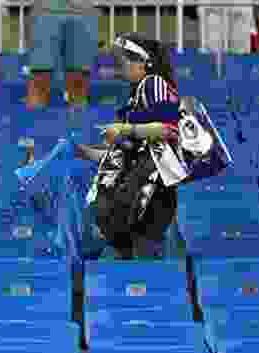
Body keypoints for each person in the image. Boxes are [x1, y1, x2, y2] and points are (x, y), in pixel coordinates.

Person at [79, 33, 185, 260]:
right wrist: (85, 153)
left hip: (152, 191)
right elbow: (124, 155)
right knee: (125, 256)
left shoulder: (154, 83)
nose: (121, 67)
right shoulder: (136, 95)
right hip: (134, 188)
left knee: (142, 256)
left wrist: (126, 130)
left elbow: (169, 129)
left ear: (144, 63)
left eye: (125, 61)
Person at [25, 0, 99, 108]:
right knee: (40, 78)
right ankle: (34, 123)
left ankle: (78, 123)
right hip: (45, 10)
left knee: (78, 80)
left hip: (84, 11)